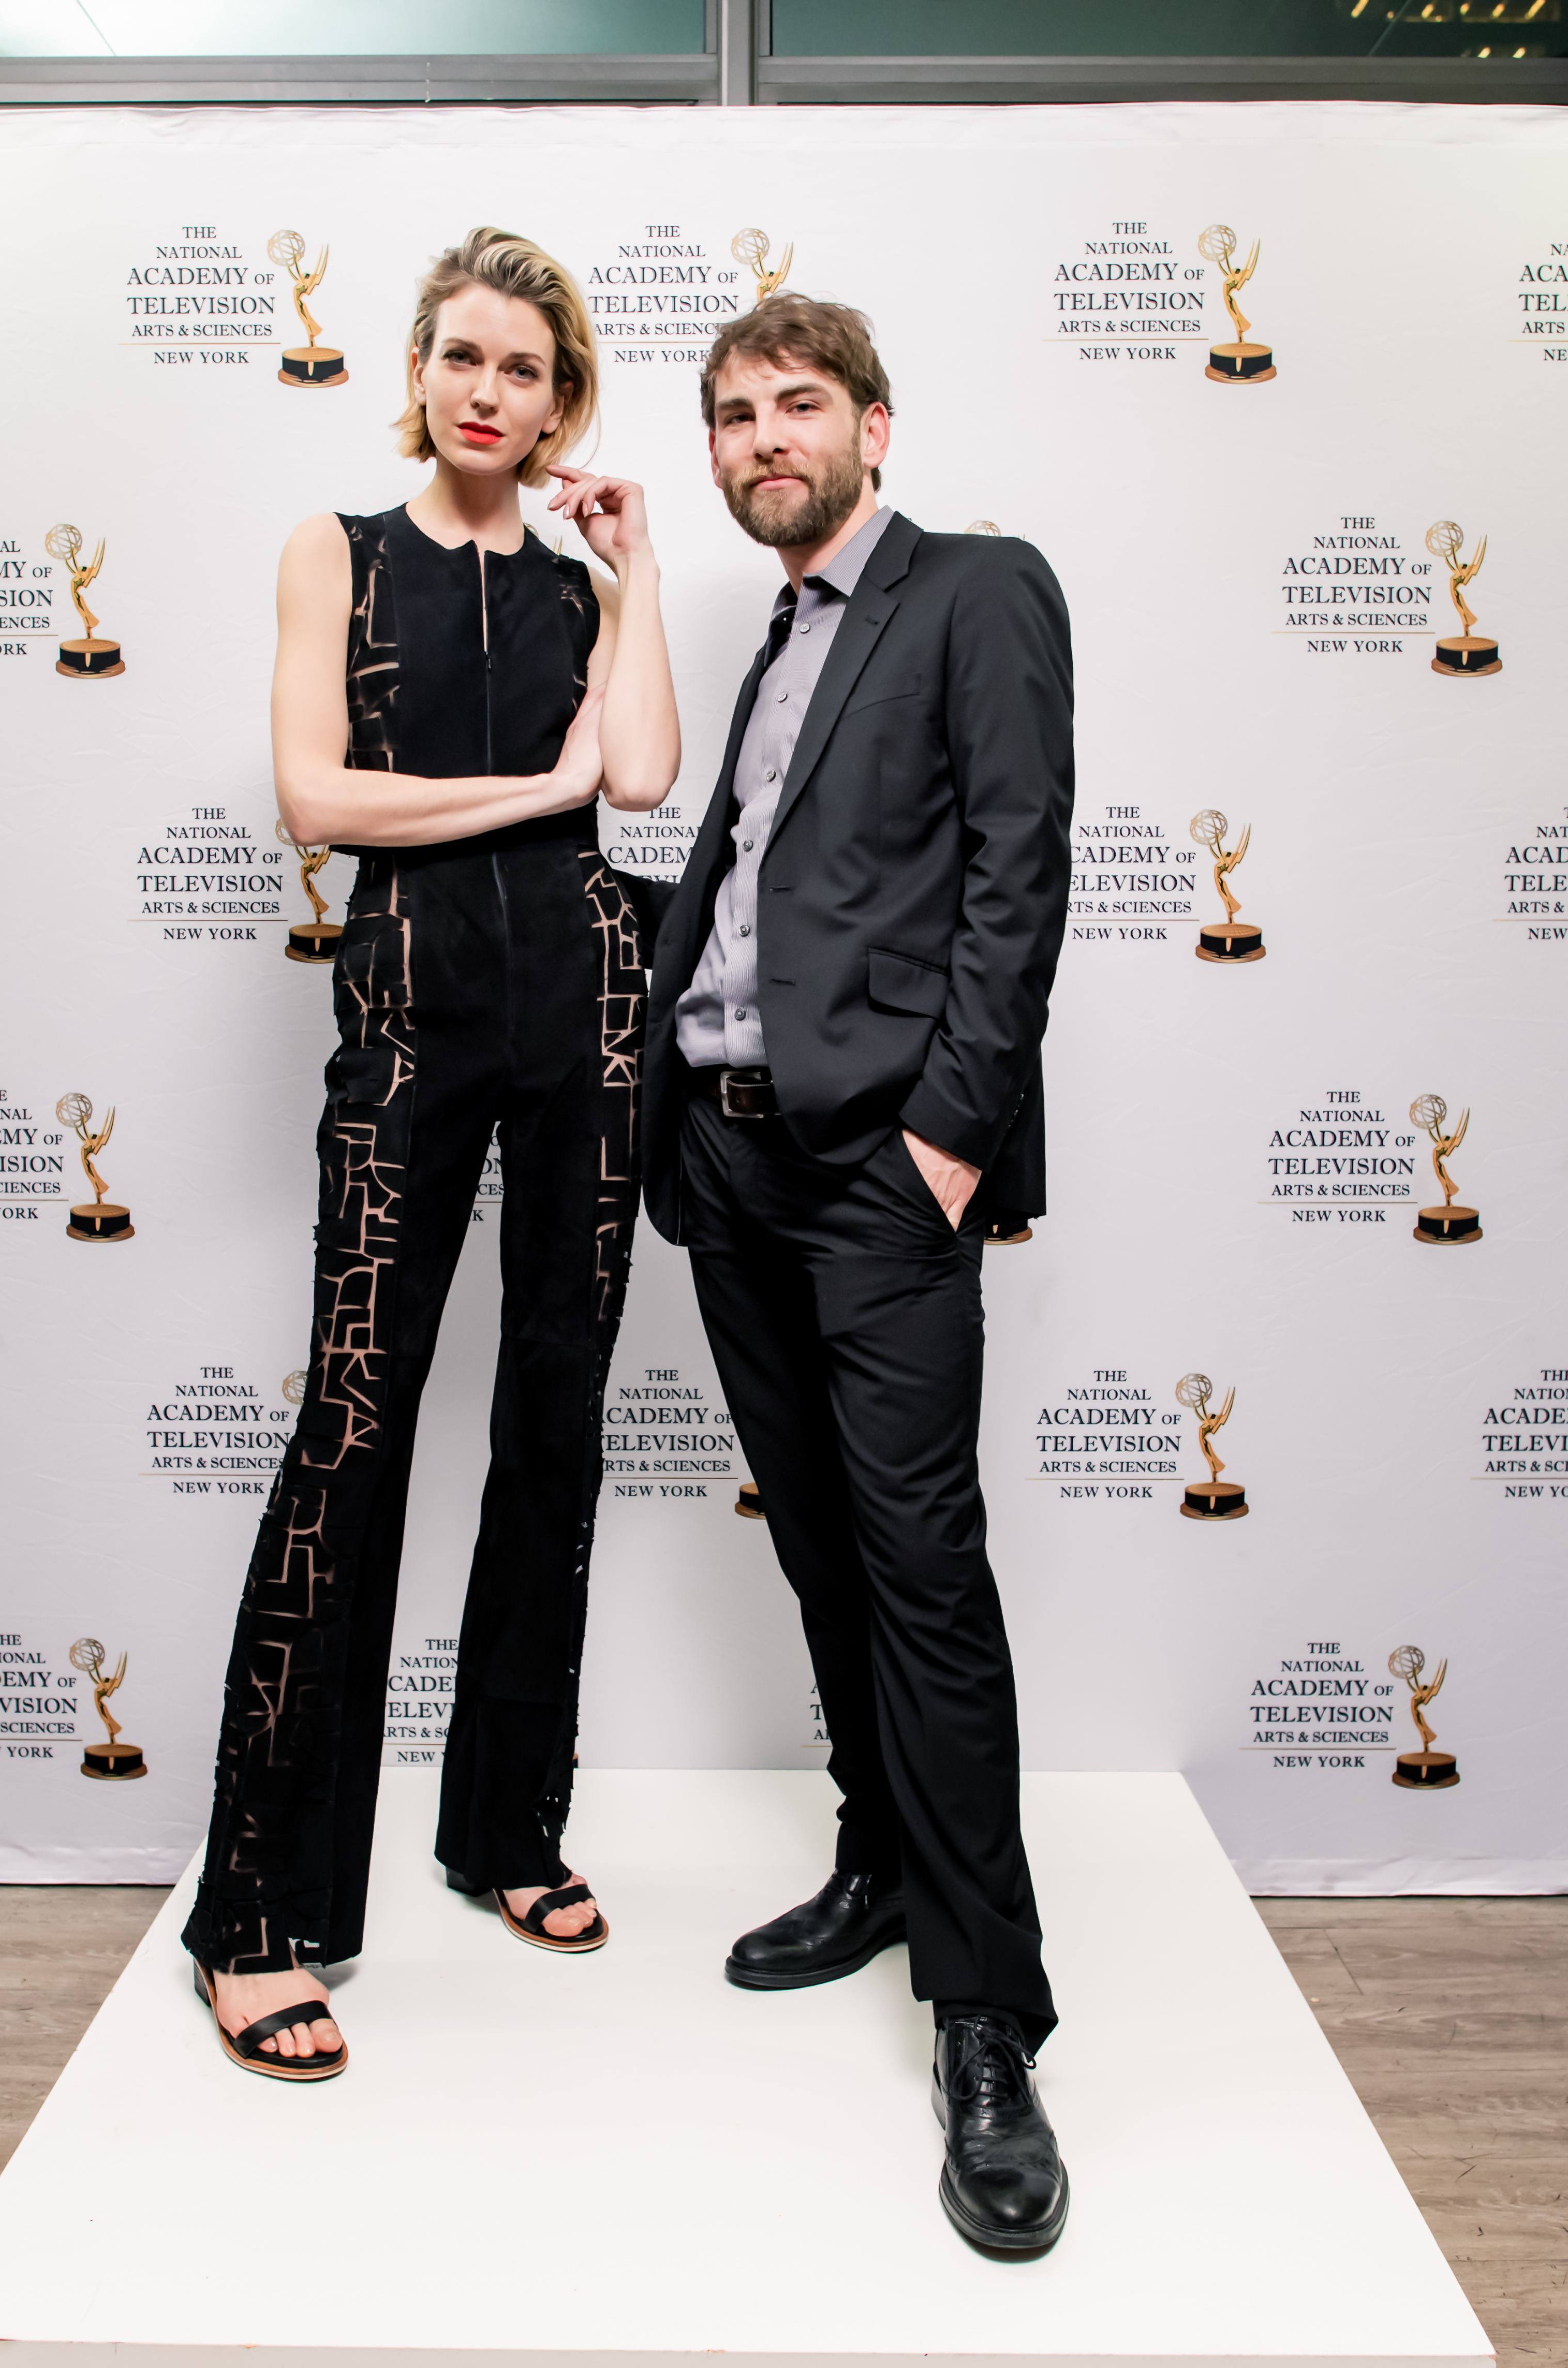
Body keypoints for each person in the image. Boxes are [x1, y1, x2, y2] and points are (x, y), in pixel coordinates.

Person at [182, 227, 679, 2079]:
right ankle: (253, 1912)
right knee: (355, 1423)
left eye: (525, 370)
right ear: (418, 370)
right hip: (412, 1009)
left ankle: (507, 1832)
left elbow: (641, 778)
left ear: (562, 404)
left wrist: (639, 570)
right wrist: (535, 792)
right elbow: (317, 797)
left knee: (556, 1417)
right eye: (464, 356)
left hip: (590, 1015)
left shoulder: (578, 588)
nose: (489, 391)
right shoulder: (339, 552)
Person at [640, 295, 1074, 2251]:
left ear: (875, 426)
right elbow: (770, 892)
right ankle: (880, 1860)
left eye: (798, 405)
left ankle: (989, 2021)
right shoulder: (778, 639)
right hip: (730, 1156)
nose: (764, 439)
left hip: (880, 1172)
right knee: (821, 1544)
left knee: (923, 1574)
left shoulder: (976, 590)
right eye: (735, 415)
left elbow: (1018, 865)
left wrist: (949, 1143)